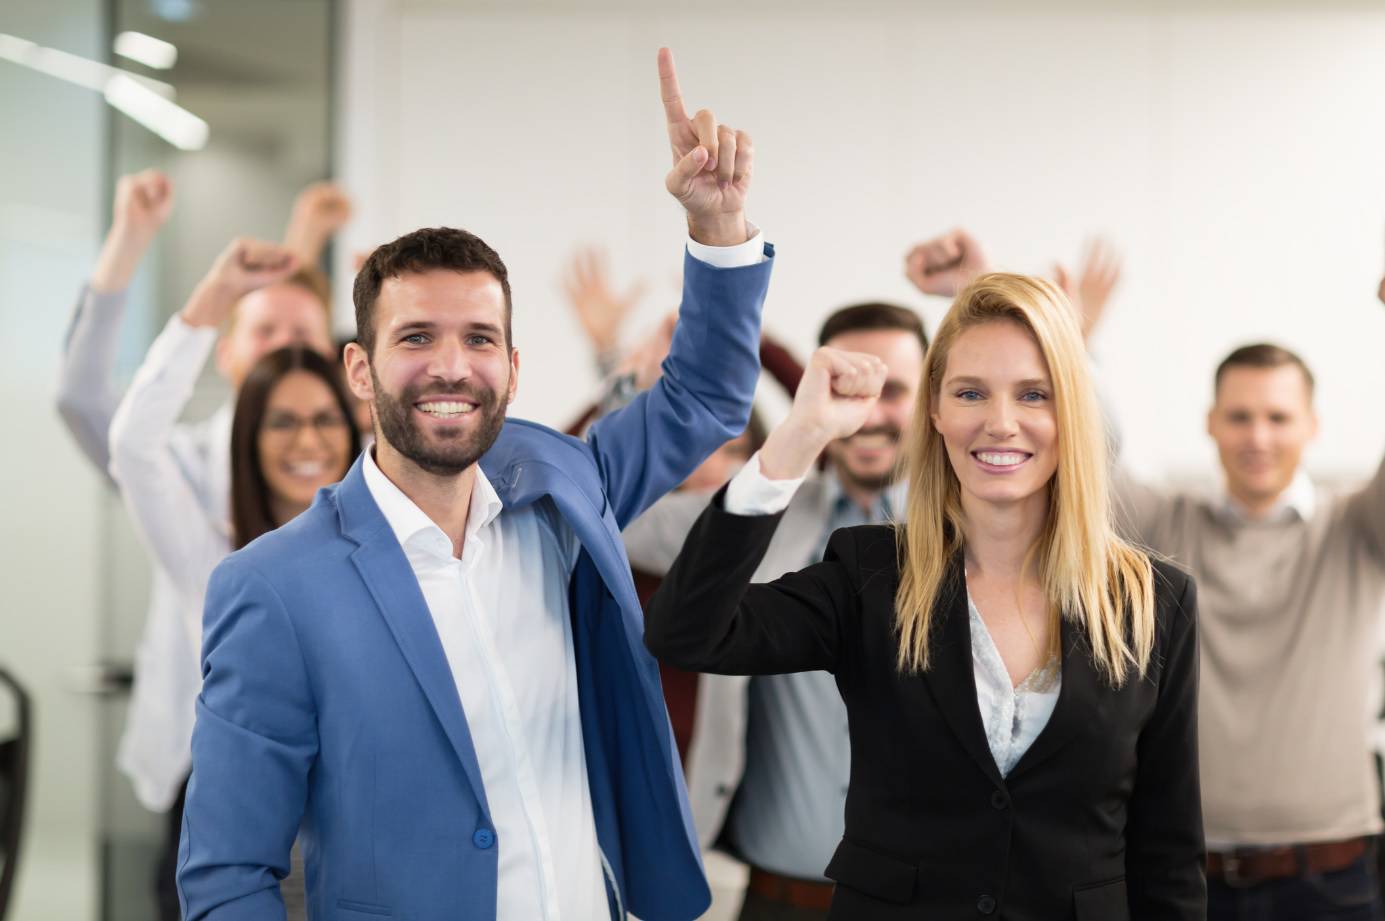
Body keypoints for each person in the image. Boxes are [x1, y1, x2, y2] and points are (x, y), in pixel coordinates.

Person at [176, 48, 774, 921]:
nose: (451, 367)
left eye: (479, 339)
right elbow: (227, 874)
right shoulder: (273, 587)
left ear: (514, 364)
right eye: (415, 336)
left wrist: (717, 228)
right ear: (359, 368)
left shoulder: (566, 486)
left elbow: (705, 395)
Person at [646, 272, 1205, 920]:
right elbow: (685, 632)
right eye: (970, 392)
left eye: (1034, 394)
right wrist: (797, 435)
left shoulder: (1153, 602)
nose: (1000, 422)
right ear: (934, 410)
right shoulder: (869, 573)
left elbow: (1167, 854)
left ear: (1072, 410)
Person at [55, 172, 350, 921]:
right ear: (226, 353)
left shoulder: (370, 495)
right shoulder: (192, 499)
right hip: (217, 774)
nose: (304, 439)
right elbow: (99, 411)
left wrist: (304, 240)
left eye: (304, 338)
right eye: (263, 335)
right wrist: (161, 258)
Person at [622, 301, 926, 919]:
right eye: (848, 386)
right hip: (780, 900)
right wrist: (643, 391)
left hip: (931, 902)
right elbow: (612, 511)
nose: (869, 411)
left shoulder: (977, 530)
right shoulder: (754, 513)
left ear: (935, 400)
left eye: (892, 390)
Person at [1110, 306, 1385, 917]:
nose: (1258, 437)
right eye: (1240, 417)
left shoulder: (1358, 528)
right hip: (1183, 879)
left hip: (1330, 883)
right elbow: (1085, 454)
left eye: (1277, 417)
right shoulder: (1162, 523)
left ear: (1312, 425)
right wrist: (1071, 347)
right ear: (1211, 423)